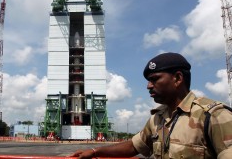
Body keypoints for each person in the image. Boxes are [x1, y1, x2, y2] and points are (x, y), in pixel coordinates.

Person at [70, 52, 232, 158]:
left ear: (177, 78)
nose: (148, 86)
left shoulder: (214, 116)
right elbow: (134, 146)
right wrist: (94, 152)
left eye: (155, 79)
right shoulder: (158, 119)